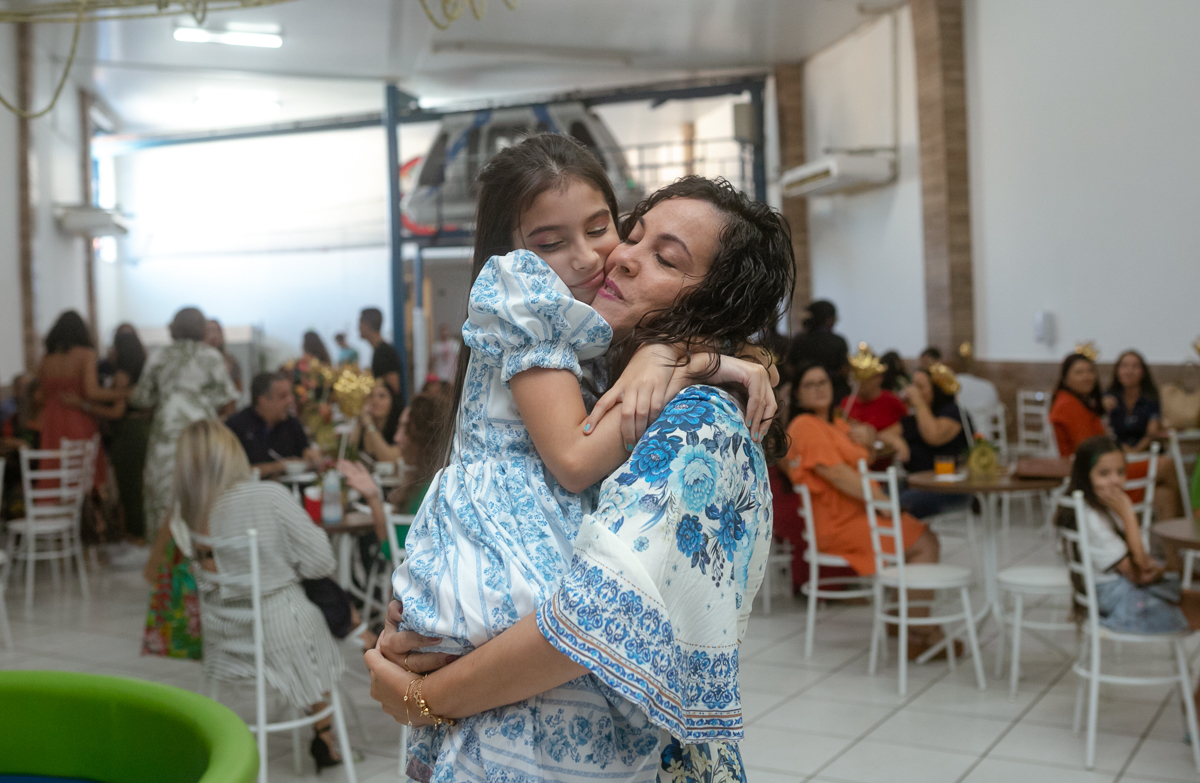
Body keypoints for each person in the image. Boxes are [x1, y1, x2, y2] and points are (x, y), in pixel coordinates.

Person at [373, 153, 784, 779]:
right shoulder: (604, 368)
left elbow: (590, 620)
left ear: (715, 305)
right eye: (636, 232)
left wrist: (420, 698)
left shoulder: (697, 423)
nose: (613, 256)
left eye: (665, 259)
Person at [168, 419, 349, 769]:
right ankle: (324, 731)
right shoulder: (266, 496)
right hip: (281, 630)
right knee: (312, 608)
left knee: (301, 608)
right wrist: (282, 567)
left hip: (225, 633)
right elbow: (322, 562)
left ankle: (320, 732)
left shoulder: (184, 513)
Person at [783, 362, 945, 657]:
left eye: (823, 382)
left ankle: (903, 622)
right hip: (838, 522)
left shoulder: (837, 423)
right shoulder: (805, 426)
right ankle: (919, 631)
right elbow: (836, 474)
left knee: (922, 536)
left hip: (859, 515)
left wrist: (870, 438)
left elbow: (863, 457)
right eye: (810, 385)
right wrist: (881, 502)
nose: (819, 388)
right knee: (924, 542)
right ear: (798, 397)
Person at [1054, 436, 1200, 709]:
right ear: (1085, 476)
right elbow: (1141, 568)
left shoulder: (1104, 507)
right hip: (1117, 602)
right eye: (1104, 474)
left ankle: (1197, 705)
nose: (1116, 481)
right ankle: (1197, 708)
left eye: (1120, 472)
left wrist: (1148, 567)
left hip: (1128, 589)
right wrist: (1130, 516)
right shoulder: (1091, 517)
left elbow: (1142, 566)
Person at [134, 307, 239, 660]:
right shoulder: (211, 355)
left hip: (166, 439)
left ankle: (166, 578)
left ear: (173, 329)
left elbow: (141, 398)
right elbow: (228, 399)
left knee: (166, 504)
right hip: (202, 440)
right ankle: (207, 575)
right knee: (204, 503)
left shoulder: (159, 357)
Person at [66, 327, 151, 542]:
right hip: (143, 428)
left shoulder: (123, 374)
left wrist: (82, 404)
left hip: (128, 432)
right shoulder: (144, 369)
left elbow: (116, 411)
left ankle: (135, 535)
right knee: (139, 486)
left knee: (129, 487)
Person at [37, 311, 131, 492]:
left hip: (51, 423)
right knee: (83, 477)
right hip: (77, 418)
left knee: (55, 472)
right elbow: (92, 392)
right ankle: (86, 517)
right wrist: (124, 393)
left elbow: (41, 395)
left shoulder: (46, 359)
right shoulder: (86, 354)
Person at [1102, 350, 1180, 518]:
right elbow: (1104, 432)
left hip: (1144, 452)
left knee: (1165, 493)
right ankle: (1186, 523)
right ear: (1117, 370)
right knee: (1167, 470)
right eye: (1124, 366)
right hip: (1118, 456)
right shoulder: (1109, 398)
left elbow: (1152, 432)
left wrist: (1136, 450)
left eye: (1135, 366)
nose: (1129, 371)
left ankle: (1174, 540)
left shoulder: (1150, 397)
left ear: (1143, 372)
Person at [899, 365, 973, 518]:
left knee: (899, 504)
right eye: (913, 385)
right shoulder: (918, 415)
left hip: (947, 488)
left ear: (936, 389)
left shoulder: (953, 412)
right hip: (915, 482)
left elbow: (933, 436)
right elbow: (889, 431)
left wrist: (919, 403)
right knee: (876, 496)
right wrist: (895, 440)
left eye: (920, 387)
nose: (914, 391)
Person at [224, 372, 320, 478]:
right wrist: (277, 467)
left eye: (290, 395)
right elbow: (231, 472)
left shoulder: (292, 423)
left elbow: (306, 451)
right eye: (283, 396)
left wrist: (312, 457)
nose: (290, 400)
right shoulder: (235, 426)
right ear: (263, 401)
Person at [843, 359, 909, 467]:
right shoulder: (846, 404)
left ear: (878, 378)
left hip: (888, 464)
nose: (860, 382)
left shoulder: (892, 401)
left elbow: (904, 429)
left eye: (865, 376)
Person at [787, 299, 850, 403]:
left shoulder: (798, 340)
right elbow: (844, 371)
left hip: (805, 396)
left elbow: (789, 367)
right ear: (829, 319)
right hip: (835, 394)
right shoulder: (838, 341)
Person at [1049, 352, 1105, 456]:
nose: (1087, 376)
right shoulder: (1068, 404)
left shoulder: (1074, 400)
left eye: (1090, 371)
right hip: (1080, 465)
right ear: (1065, 379)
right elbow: (1087, 447)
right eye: (1079, 372)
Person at [353, 379, 401, 464]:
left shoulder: (399, 427)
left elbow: (388, 459)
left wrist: (369, 424)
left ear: (392, 400)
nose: (375, 400)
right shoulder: (366, 424)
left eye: (382, 396)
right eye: (371, 396)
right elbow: (351, 452)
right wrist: (359, 423)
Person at [360, 307, 402, 398]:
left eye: (359, 323)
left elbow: (394, 387)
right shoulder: (379, 350)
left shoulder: (384, 352)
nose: (358, 328)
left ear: (366, 325)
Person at [204, 318, 243, 394]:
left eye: (217, 331)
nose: (213, 336)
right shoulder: (196, 360)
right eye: (209, 331)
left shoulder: (231, 361)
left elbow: (238, 389)